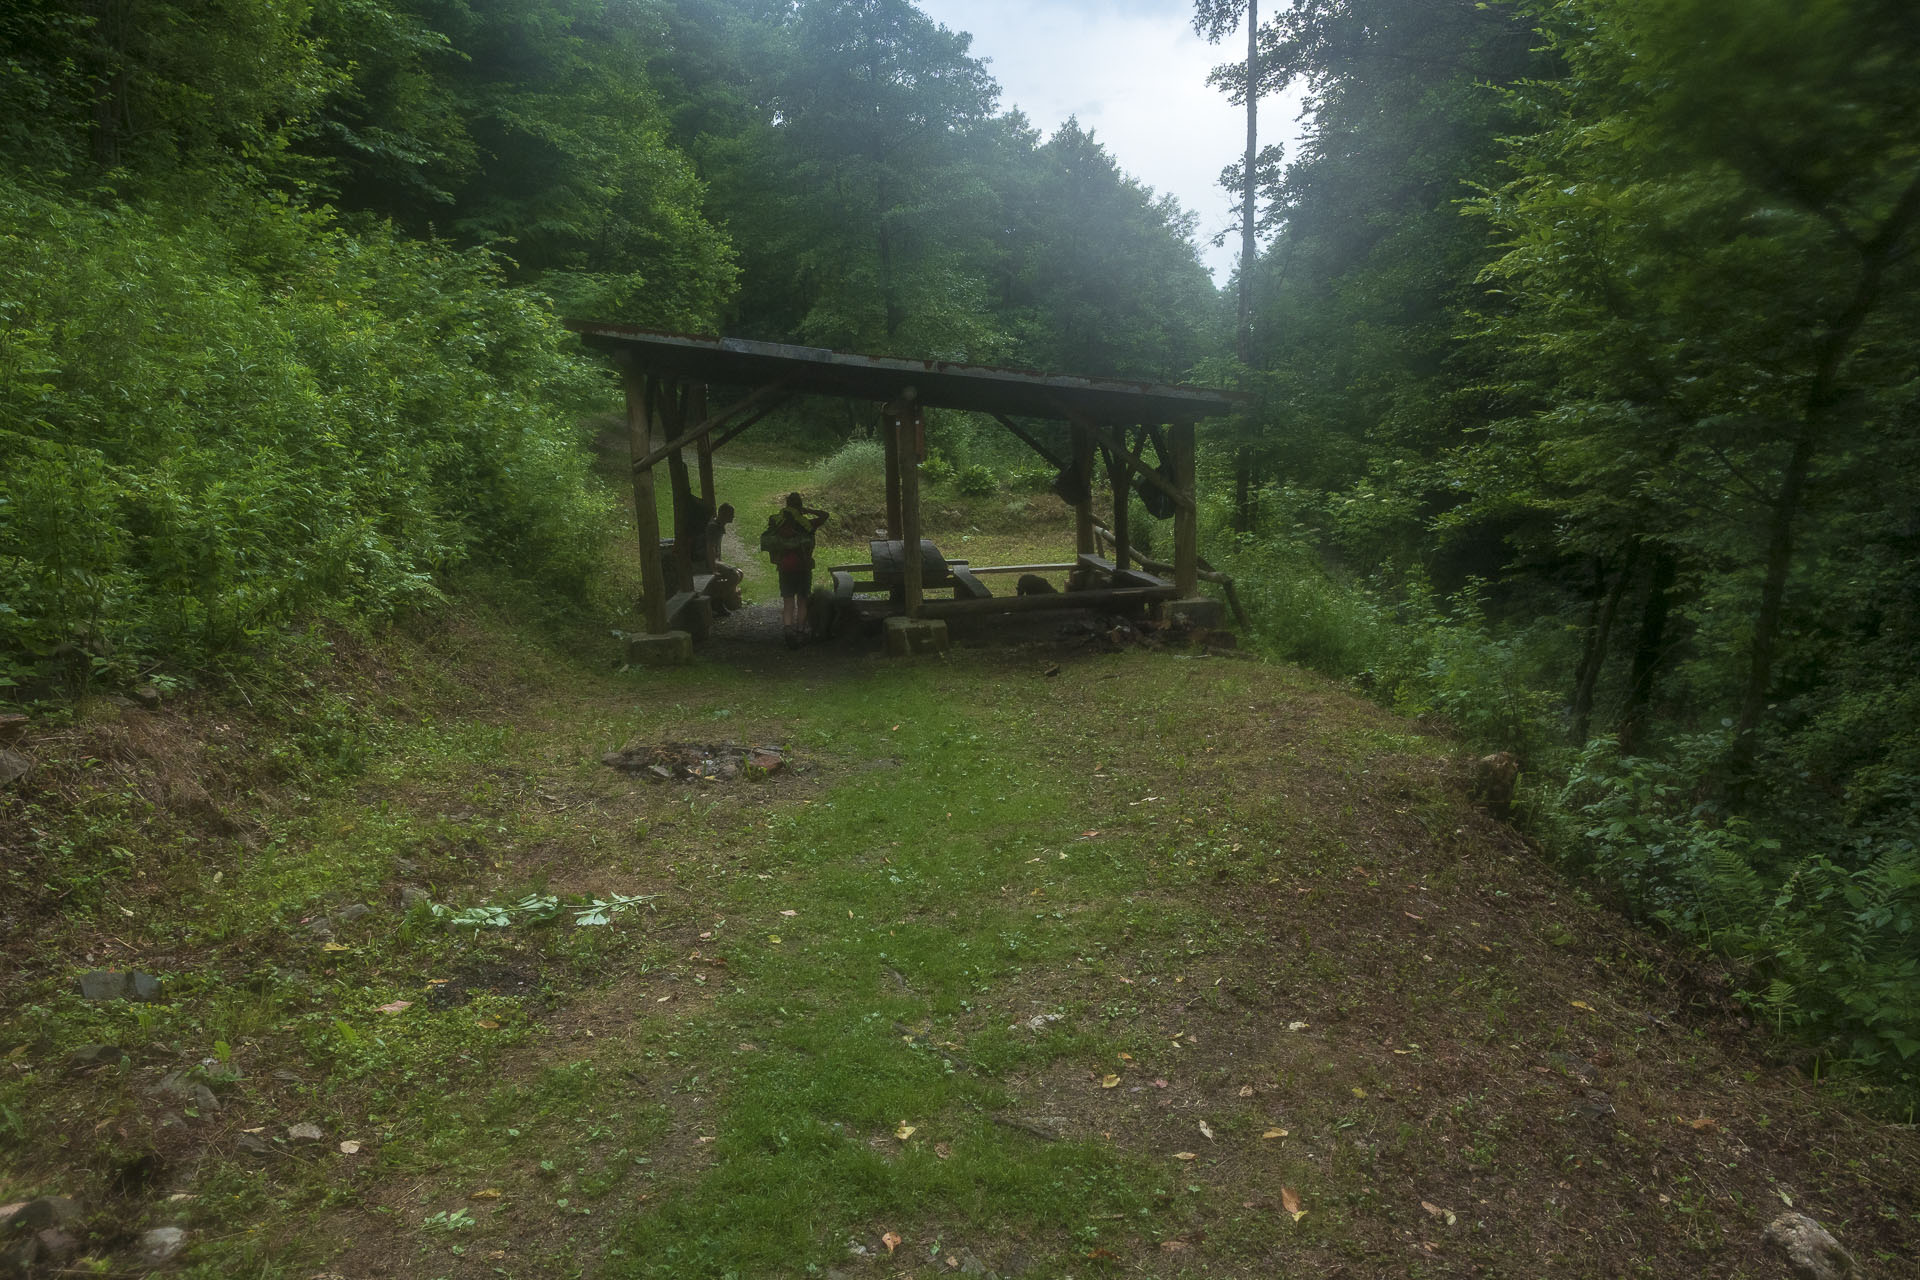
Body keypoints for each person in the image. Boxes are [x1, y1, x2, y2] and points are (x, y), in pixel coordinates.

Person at [760, 492, 828, 648]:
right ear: (800, 505)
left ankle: (787, 629)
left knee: (788, 600)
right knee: (802, 599)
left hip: (784, 566)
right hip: (803, 565)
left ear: (787, 504)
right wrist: (809, 511)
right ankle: (800, 630)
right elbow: (825, 515)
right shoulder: (807, 523)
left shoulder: (777, 522)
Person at [702, 502, 744, 614]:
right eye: (731, 514)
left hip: (715, 561)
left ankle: (724, 598)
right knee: (734, 575)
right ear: (723, 514)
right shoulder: (713, 527)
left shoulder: (718, 526)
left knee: (740, 573)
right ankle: (717, 601)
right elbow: (710, 548)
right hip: (708, 562)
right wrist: (713, 568)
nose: (733, 516)